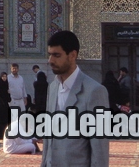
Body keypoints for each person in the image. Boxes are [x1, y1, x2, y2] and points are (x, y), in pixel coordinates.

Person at [41, 30, 109, 167]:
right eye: (50, 55)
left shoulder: (94, 91)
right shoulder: (53, 88)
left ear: (72, 55)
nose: (50, 60)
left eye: (56, 55)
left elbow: (99, 147)